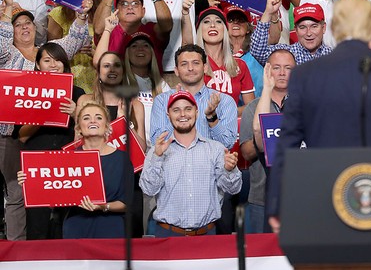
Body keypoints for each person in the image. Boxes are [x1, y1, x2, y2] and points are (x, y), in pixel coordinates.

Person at [267, 0, 371, 232]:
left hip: (326, 194)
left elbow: (286, 144)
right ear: (370, 29)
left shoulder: (306, 74)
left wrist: (276, 205)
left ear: (334, 28)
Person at [19, 102, 134, 239]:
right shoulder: (66, 159)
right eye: (86, 118)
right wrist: (31, 182)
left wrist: (103, 206)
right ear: (79, 128)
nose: (92, 120)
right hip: (75, 229)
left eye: (98, 117)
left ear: (107, 127)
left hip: (111, 229)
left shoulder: (122, 159)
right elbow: (52, 198)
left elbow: (127, 203)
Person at [140, 90, 242, 237]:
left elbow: (233, 189)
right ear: (168, 116)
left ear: (197, 112)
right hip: (168, 235)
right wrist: (157, 157)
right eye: (176, 110)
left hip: (207, 235)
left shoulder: (216, 149)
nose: (183, 114)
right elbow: (149, 190)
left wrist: (229, 169)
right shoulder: (157, 151)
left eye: (188, 109)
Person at [19, 43, 85, 240]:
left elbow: (89, 133)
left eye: (57, 60)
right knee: (37, 224)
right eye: (47, 60)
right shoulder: (28, 92)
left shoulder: (78, 93)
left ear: (65, 64)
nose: (53, 64)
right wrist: (42, 115)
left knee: (68, 223)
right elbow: (22, 136)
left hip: (68, 167)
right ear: (38, 65)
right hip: (38, 167)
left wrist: (75, 113)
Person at [240, 49, 296, 233]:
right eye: (276, 68)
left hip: (298, 197)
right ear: (267, 70)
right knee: (259, 258)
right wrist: (266, 140)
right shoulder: (252, 107)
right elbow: (246, 153)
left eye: (288, 68)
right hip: (261, 198)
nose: (281, 73)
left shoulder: (305, 105)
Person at [150, 44, 238, 149]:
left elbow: (227, 144)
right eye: (184, 64)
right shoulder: (162, 100)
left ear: (205, 68)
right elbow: (157, 142)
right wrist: (175, 111)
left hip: (211, 164)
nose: (190, 68)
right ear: (176, 71)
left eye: (196, 63)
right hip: (174, 163)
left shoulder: (224, 101)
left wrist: (212, 118)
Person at [181, 2, 255, 115]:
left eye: (218, 21)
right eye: (206, 22)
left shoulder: (240, 65)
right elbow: (186, 46)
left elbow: (251, 107)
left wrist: (226, 113)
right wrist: (185, 14)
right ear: (199, 30)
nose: (212, 25)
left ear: (225, 30)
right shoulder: (195, 64)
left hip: (231, 128)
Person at [250, 0, 333, 66]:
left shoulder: (335, 57)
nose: (308, 33)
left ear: (323, 28)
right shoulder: (286, 54)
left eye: (314, 26)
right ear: (296, 30)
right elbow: (258, 52)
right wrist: (268, 12)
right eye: (302, 27)